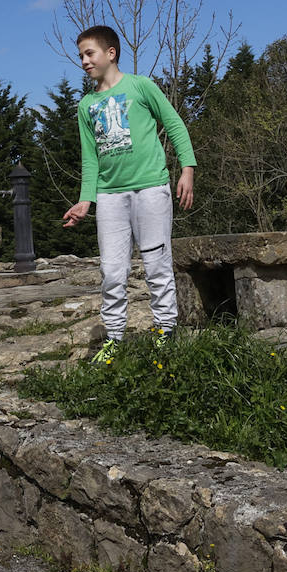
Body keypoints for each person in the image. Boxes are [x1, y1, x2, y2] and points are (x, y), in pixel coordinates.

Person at [61, 25, 196, 362]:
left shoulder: (141, 86)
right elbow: (90, 157)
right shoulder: (86, 106)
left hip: (151, 189)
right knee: (111, 270)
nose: (84, 61)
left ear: (111, 53)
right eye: (80, 55)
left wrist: (187, 170)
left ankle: (166, 333)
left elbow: (175, 124)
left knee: (156, 265)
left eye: (89, 53)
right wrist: (85, 200)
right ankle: (114, 340)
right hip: (110, 197)